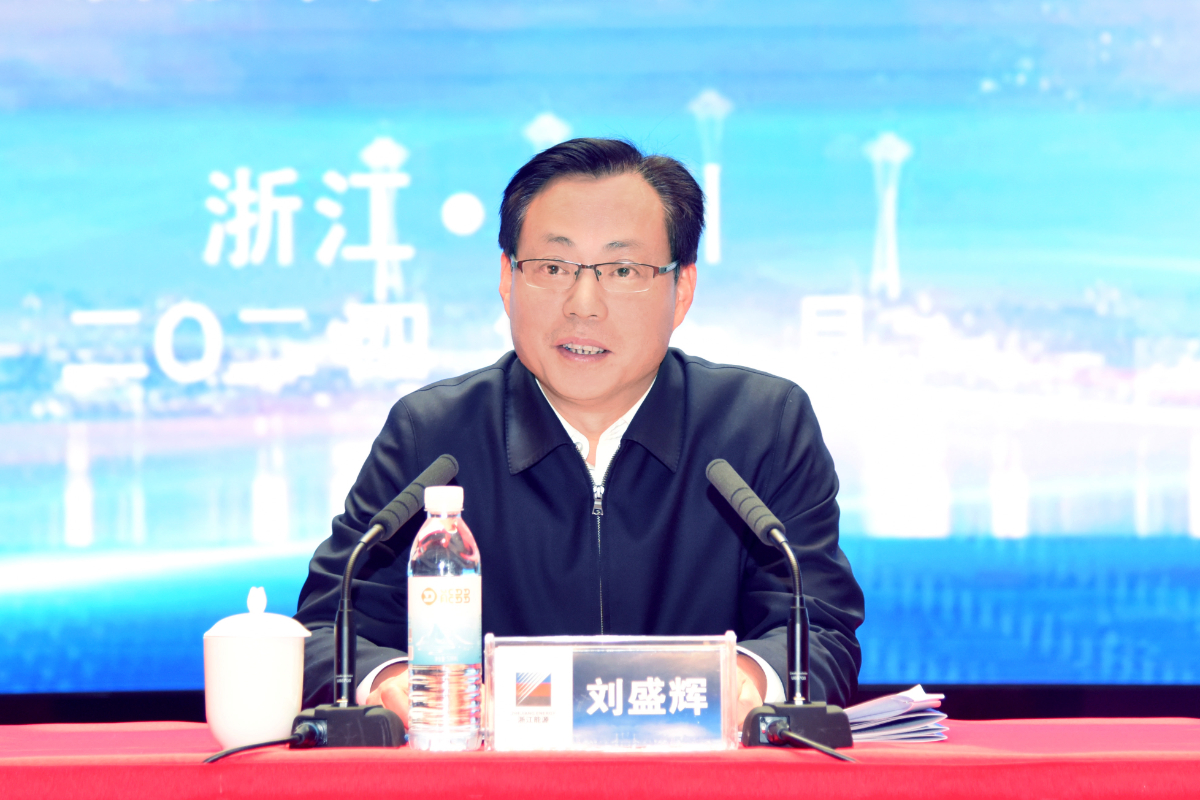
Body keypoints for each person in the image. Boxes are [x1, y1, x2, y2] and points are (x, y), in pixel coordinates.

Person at [296, 138, 864, 726]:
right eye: (552, 268)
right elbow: (325, 630)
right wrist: (394, 686)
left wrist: (740, 685)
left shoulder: (763, 427)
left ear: (682, 291)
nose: (583, 304)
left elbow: (820, 629)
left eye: (623, 270)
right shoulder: (433, 436)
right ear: (508, 280)